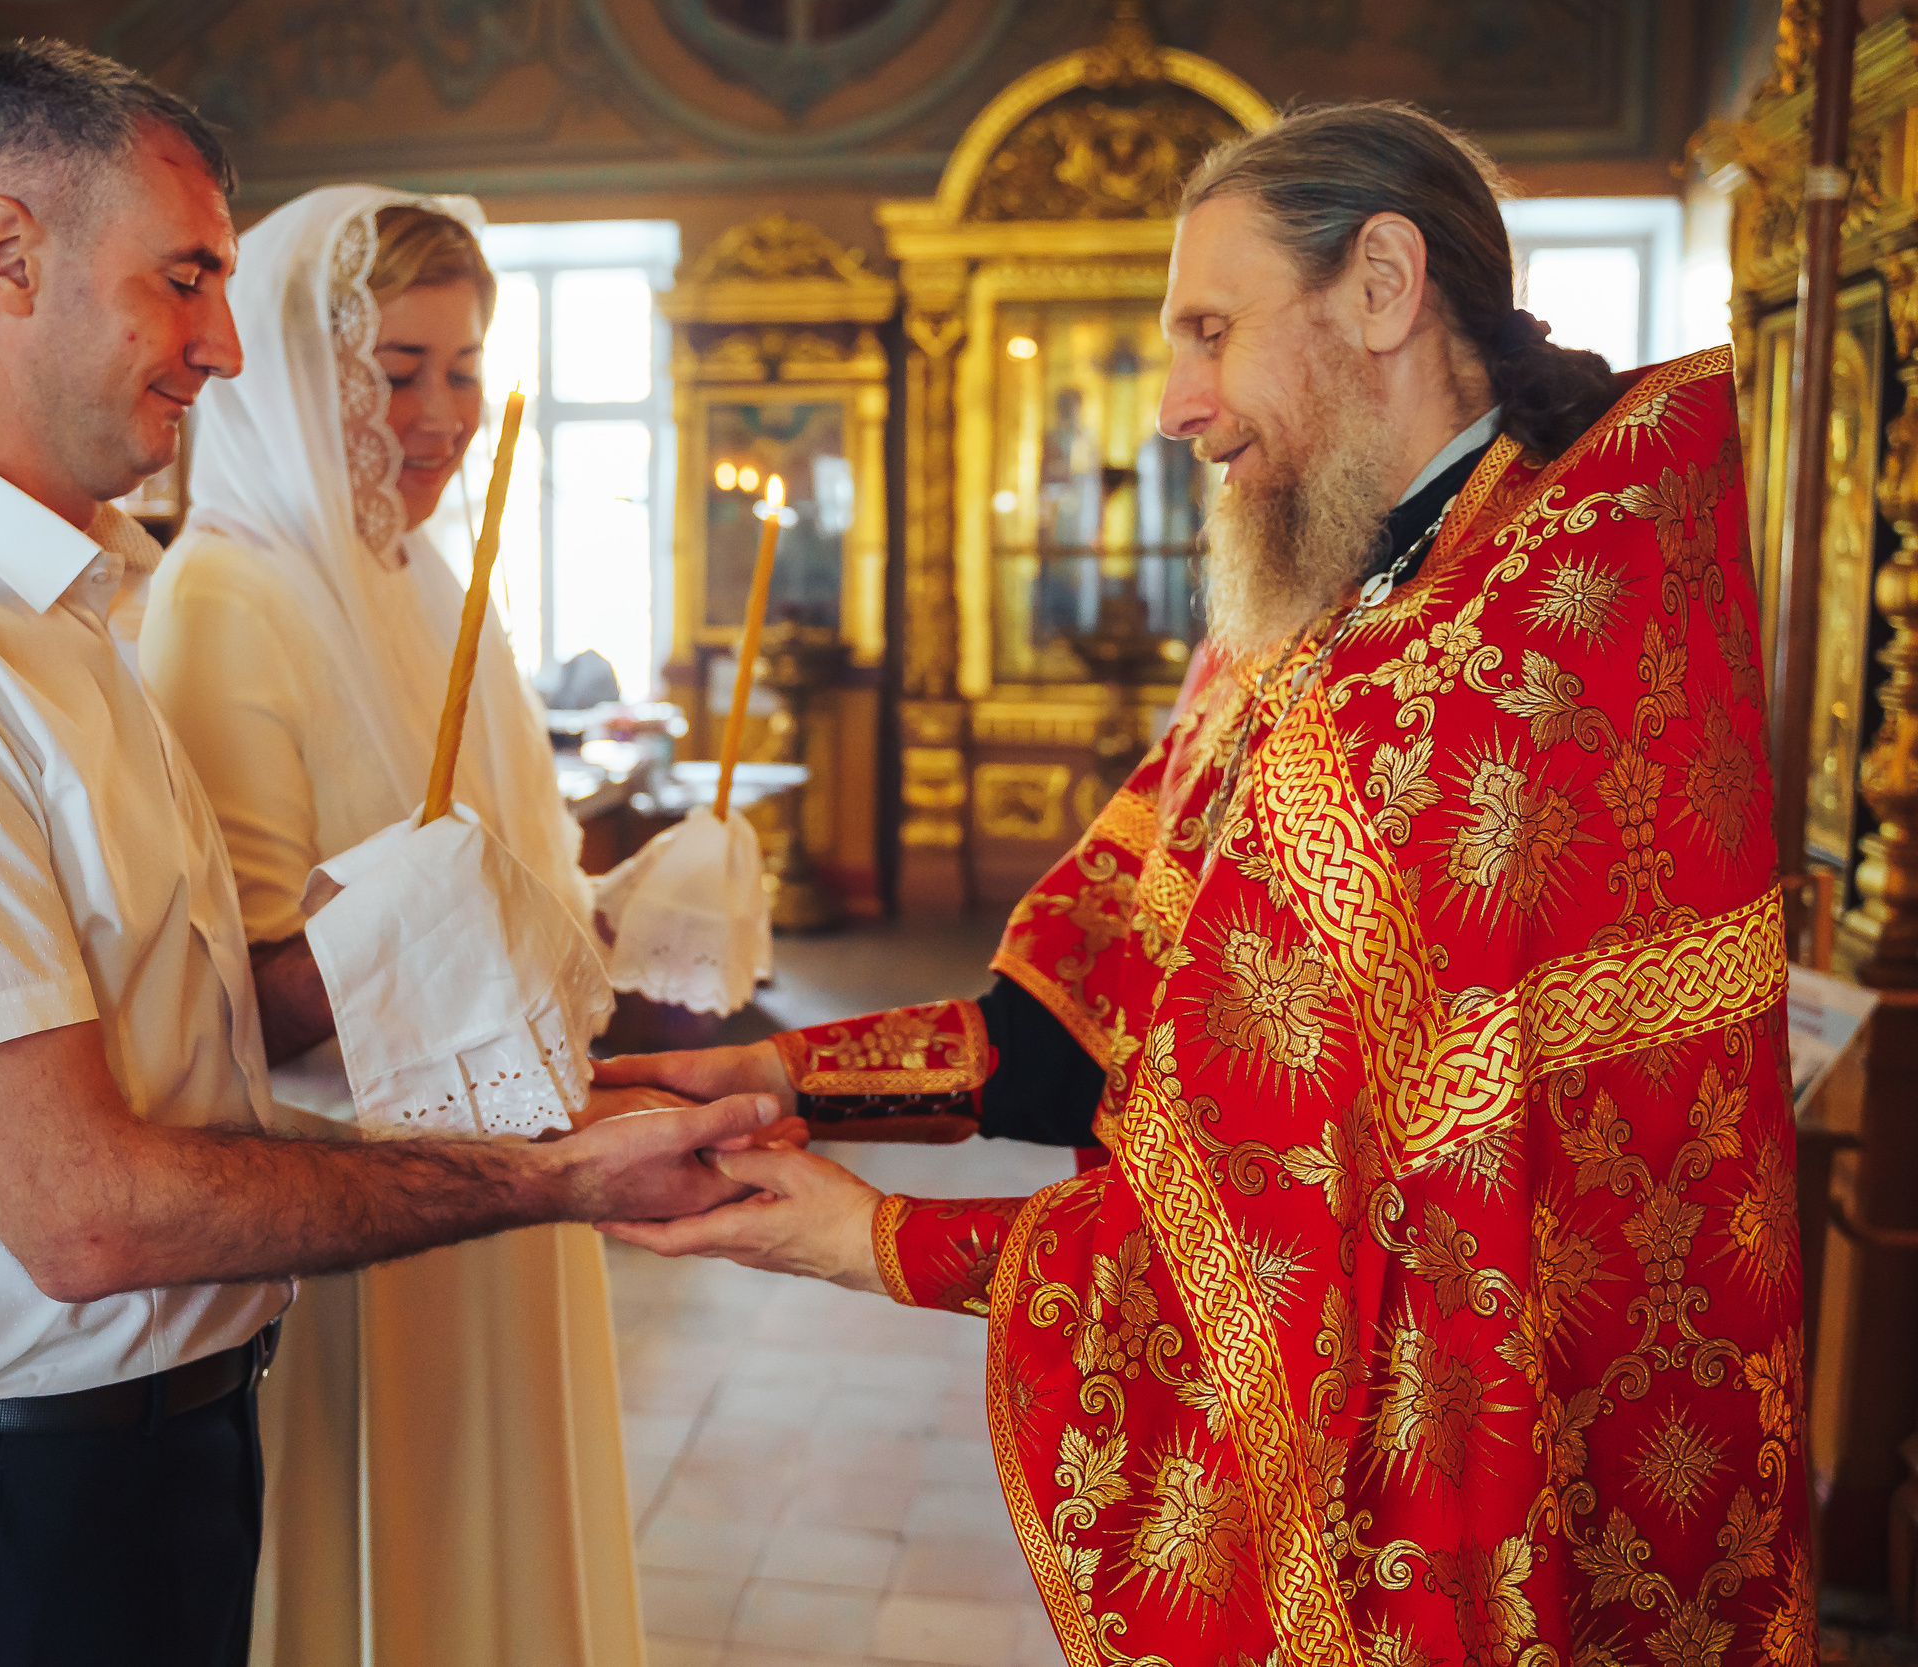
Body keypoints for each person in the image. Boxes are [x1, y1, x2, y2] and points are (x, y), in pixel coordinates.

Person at [594, 101, 1813, 1665]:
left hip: (1473, 1467)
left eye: (1212, 332)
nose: (1175, 406)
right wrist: (776, 1073)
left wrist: (870, 1240)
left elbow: (1266, 1208)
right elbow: (1096, 1005)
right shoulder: (1308, 607)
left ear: (1383, 286)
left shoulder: (1528, 643)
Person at [0, 40, 775, 1667]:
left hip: (163, 1448)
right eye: (186, 280)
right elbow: (86, 1212)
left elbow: (205, 1042)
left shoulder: (66, 618)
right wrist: (542, 1177)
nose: (228, 346)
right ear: (3, 255)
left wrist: (514, 974)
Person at [137, 188, 642, 1667]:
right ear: (302, 367)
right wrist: (399, 933)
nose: (441, 417)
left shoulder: (430, 582)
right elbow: (245, 1012)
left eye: (465, 367)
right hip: (354, 1199)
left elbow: (509, 907)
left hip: (503, 1168)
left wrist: (616, 910)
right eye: (396, 369)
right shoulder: (229, 595)